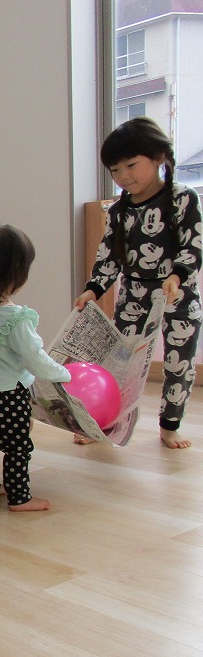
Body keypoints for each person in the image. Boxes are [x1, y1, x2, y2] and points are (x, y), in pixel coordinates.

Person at [75, 116, 201, 449]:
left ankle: (170, 425)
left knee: (179, 362)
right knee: (121, 362)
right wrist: (93, 289)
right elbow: (108, 256)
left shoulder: (183, 199)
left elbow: (193, 246)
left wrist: (176, 276)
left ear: (159, 157)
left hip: (179, 294)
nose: (123, 176)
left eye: (131, 165)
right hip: (134, 294)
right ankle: (107, 422)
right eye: (115, 170)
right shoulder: (118, 210)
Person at [0, 225, 71, 512]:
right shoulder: (16, 319)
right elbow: (36, 360)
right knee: (17, 446)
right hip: (8, 394)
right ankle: (20, 497)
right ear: (17, 275)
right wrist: (64, 373)